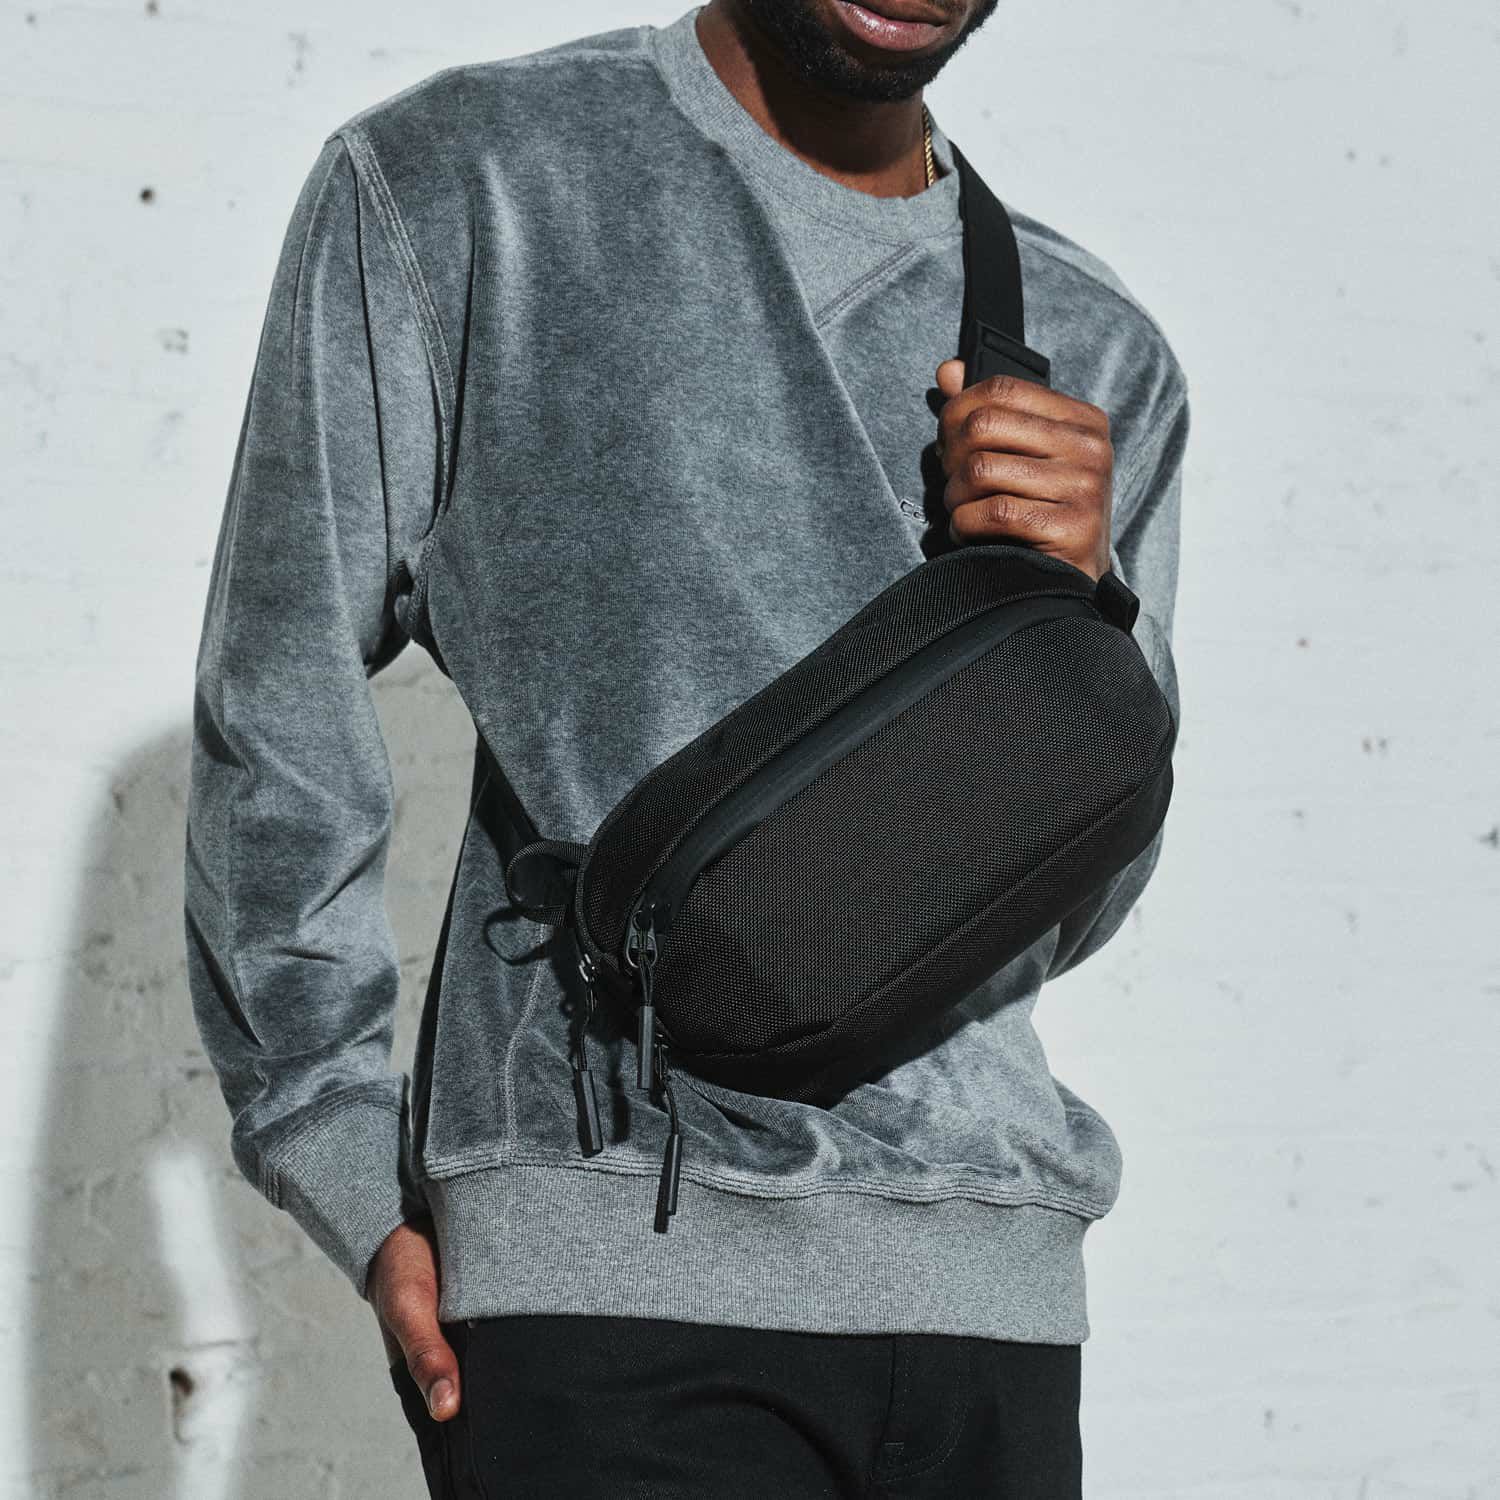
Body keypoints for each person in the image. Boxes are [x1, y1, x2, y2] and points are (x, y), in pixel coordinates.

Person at [183, 1, 1189, 1493]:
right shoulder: (472, 182)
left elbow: (1073, 901)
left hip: (992, 1298)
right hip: (609, 1275)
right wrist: (338, 1151)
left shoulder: (1096, 347)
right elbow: (279, 698)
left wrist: (1079, 603)